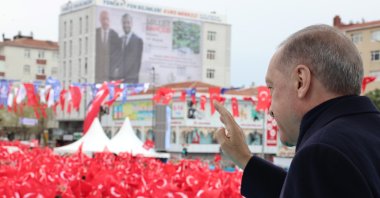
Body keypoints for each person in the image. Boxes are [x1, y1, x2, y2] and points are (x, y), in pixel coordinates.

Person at [214, 24, 380, 198]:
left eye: (271, 88)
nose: (270, 110)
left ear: (301, 81)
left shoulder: (321, 154)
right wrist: (245, 159)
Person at [110, 13, 143, 83]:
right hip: (119, 80)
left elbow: (134, 62)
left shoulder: (138, 41)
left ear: (132, 24)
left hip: (131, 80)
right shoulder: (120, 39)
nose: (126, 25)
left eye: (128, 23)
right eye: (124, 23)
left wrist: (119, 72)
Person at [96, 10, 120, 83]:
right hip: (97, 75)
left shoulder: (115, 36)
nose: (105, 21)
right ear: (100, 20)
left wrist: (116, 69)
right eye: (103, 19)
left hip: (110, 76)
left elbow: (118, 55)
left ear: (110, 20)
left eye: (107, 19)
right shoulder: (95, 33)